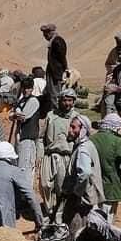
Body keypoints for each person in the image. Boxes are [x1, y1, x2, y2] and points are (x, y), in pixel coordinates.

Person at [0, 141, 44, 230]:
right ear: (10, 158)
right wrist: (40, 222)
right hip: (2, 221)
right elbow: (31, 197)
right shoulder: (14, 171)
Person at [61, 115, 105, 241]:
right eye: (71, 126)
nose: (70, 130)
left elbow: (85, 172)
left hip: (80, 198)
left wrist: (76, 191)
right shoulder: (87, 145)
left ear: (83, 130)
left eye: (74, 127)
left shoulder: (83, 149)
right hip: (86, 196)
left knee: (75, 228)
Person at [90, 113, 121, 219]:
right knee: (106, 224)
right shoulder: (118, 142)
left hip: (91, 189)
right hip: (110, 190)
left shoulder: (91, 139)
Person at [41, 86, 77, 223]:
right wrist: (40, 154)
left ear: (74, 102)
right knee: (45, 185)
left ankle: (58, 215)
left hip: (66, 157)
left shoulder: (77, 118)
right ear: (59, 101)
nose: (67, 103)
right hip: (49, 155)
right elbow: (40, 137)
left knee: (62, 188)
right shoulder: (51, 116)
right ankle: (49, 210)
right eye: (64, 100)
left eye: (70, 100)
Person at [12, 78, 42, 172]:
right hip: (20, 137)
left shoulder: (33, 101)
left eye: (28, 88)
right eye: (24, 88)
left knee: (24, 169)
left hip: (28, 139)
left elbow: (23, 117)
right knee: (18, 166)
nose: (26, 90)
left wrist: (14, 114)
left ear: (32, 89)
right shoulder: (22, 100)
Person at [41, 23, 68, 112]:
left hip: (56, 72)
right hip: (53, 71)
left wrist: (64, 70)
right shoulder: (54, 41)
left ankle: (57, 112)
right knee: (52, 92)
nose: (44, 37)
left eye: (45, 34)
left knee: (55, 94)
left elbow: (62, 57)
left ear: (50, 33)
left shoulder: (57, 41)